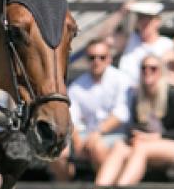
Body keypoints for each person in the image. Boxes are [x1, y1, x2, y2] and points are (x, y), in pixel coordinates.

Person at [82, 54, 174, 189]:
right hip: (145, 144)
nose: (147, 71)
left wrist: (155, 137)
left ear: (161, 72)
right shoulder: (138, 96)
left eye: (153, 68)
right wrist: (137, 135)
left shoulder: (172, 93)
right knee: (119, 147)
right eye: (144, 68)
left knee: (142, 147)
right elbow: (133, 127)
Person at [49, 39, 130, 180]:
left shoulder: (121, 80)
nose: (97, 61)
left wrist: (97, 133)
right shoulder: (77, 86)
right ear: (86, 59)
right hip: (86, 135)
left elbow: (121, 114)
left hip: (116, 136)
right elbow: (72, 118)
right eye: (92, 57)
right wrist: (78, 141)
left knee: (97, 147)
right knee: (56, 152)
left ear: (109, 59)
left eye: (102, 57)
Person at [102, 0, 174, 86]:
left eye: (149, 18)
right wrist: (121, 13)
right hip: (126, 90)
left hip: (152, 90)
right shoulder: (130, 40)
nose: (144, 22)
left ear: (158, 21)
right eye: (141, 18)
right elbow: (103, 38)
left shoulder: (167, 44)